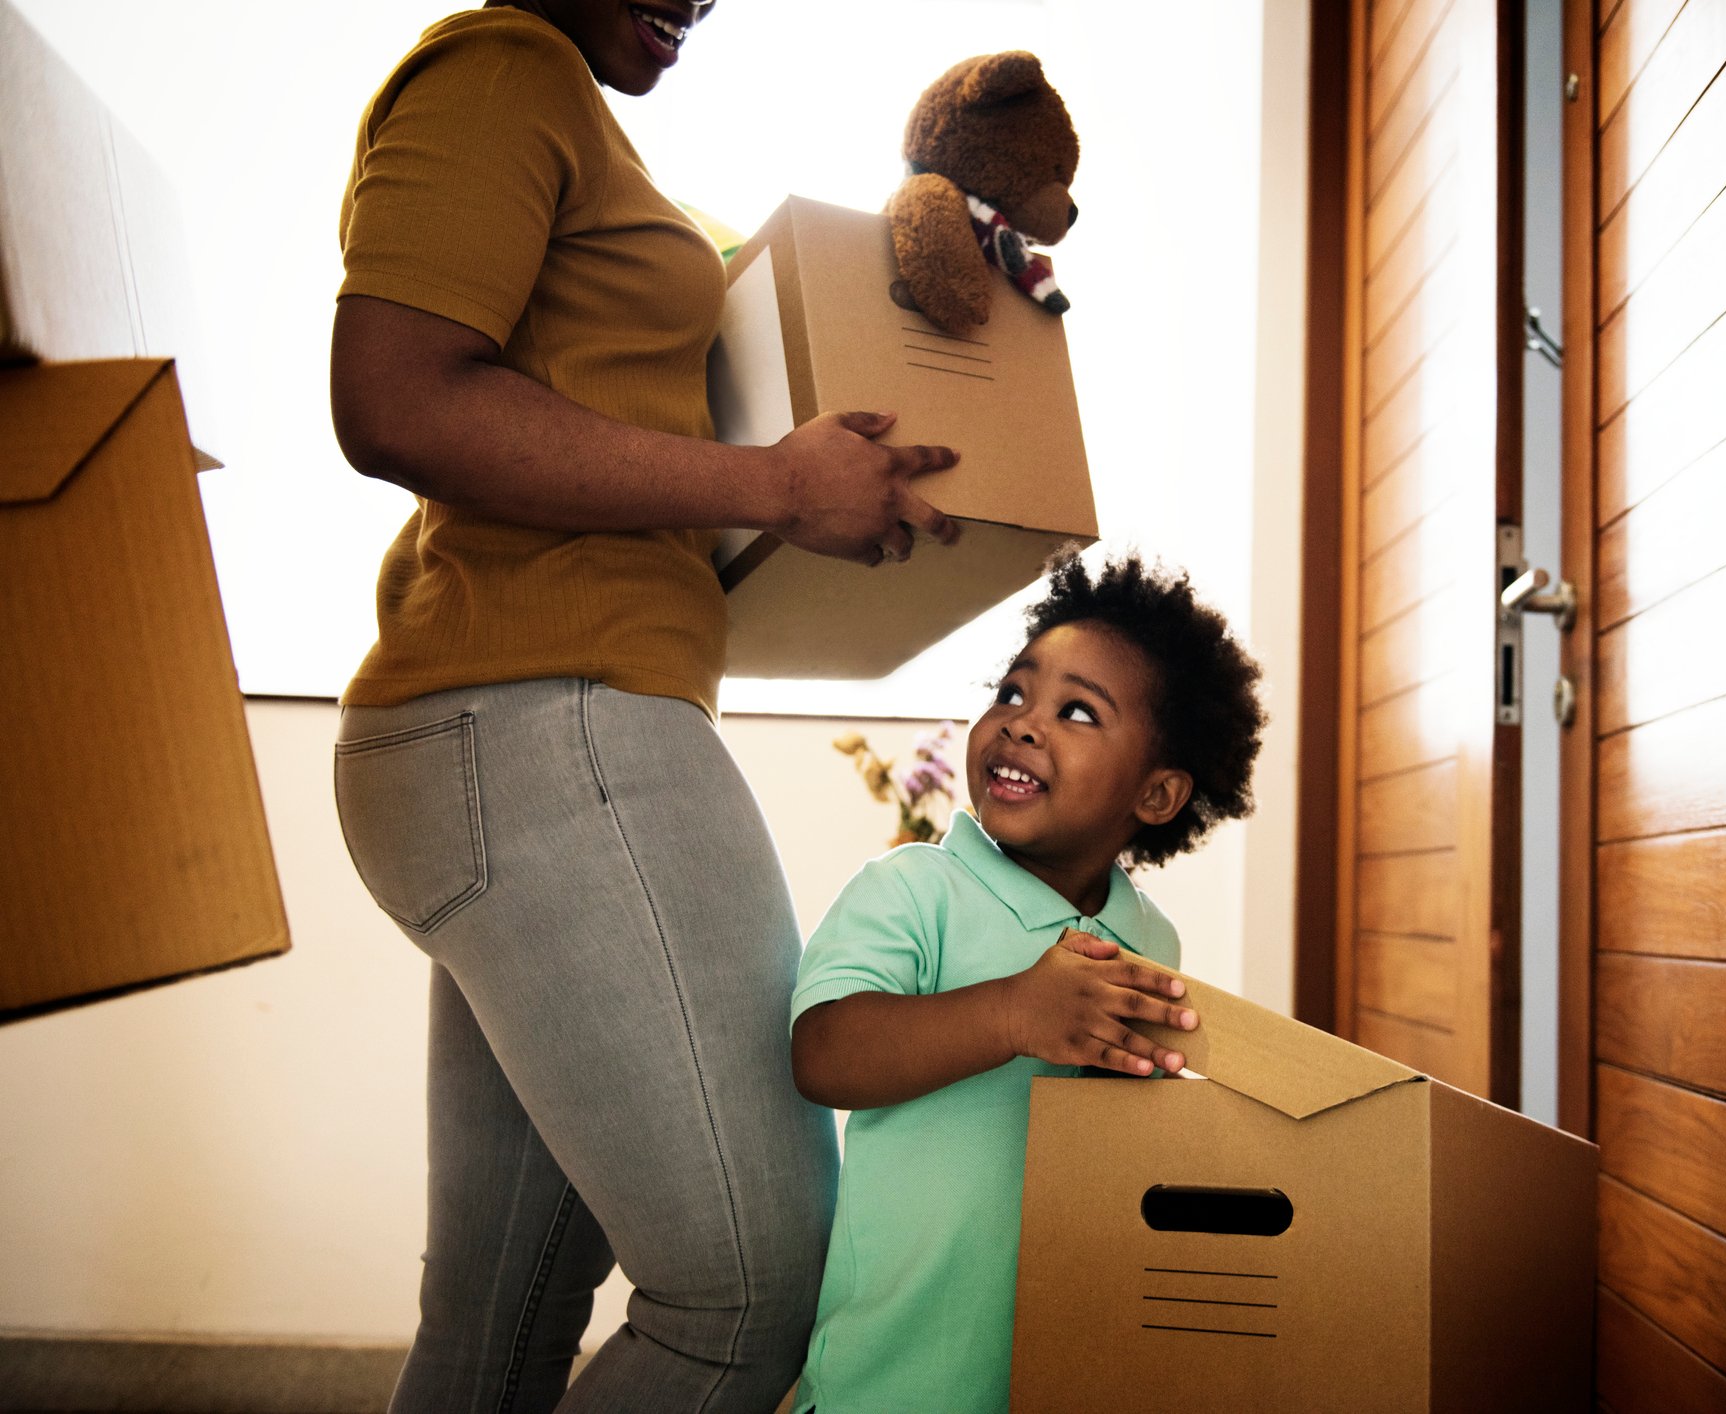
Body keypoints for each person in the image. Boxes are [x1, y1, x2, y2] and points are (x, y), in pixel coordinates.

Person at [327, 2, 961, 1409]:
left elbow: (744, 336)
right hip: (543, 716)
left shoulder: (598, 152)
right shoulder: (502, 69)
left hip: (523, 723)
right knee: (754, 1285)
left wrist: (962, 282)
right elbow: (391, 398)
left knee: (500, 1312)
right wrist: (774, 487)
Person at [786, 552, 1268, 1412]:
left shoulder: (1149, 942)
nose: (1021, 723)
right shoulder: (913, 889)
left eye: (1076, 711)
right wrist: (1012, 1011)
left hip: (1059, 1364)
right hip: (891, 1376)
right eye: (1013, 693)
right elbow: (823, 1054)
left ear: (1155, 795)